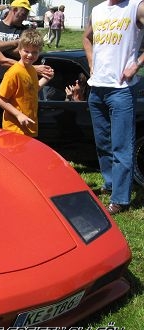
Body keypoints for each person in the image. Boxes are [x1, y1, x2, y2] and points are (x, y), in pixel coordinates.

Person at [83, 0, 144, 215]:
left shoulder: (136, 7)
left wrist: (137, 63)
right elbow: (87, 38)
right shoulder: (97, 10)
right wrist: (91, 63)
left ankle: (120, 199)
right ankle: (110, 184)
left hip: (121, 90)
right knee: (103, 143)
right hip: (96, 89)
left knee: (121, 146)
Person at [0, 0, 53, 100]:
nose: (25, 17)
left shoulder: (25, 31)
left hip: (18, 78)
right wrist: (16, 42)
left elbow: (21, 52)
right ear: (15, 9)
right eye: (24, 13)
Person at [0, 29, 53, 137]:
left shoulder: (31, 69)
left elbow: (33, 89)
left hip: (29, 126)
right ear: (19, 50)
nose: (30, 55)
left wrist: (46, 78)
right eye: (26, 51)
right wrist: (19, 115)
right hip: (15, 128)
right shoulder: (14, 72)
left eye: (35, 52)